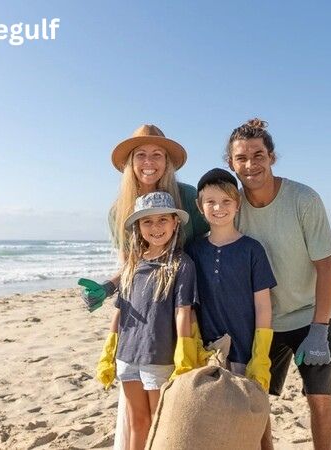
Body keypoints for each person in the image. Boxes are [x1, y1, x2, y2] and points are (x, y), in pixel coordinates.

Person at [226, 118, 331, 450]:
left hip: (313, 312)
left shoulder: (303, 199)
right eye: (241, 158)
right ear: (231, 163)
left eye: (258, 155)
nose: (250, 165)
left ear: (272, 157)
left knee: (318, 397)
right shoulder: (233, 207)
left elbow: (327, 268)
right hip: (265, 318)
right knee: (256, 397)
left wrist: (320, 328)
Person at [95, 191, 198, 450]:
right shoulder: (133, 263)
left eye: (163, 219)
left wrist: (183, 354)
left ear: (175, 223)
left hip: (158, 356)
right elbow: (121, 310)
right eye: (147, 222)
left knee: (158, 421)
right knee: (136, 421)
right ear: (138, 228)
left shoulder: (181, 264)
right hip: (126, 355)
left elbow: (182, 311)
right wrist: (109, 349)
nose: (156, 227)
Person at [79, 124, 208, 311]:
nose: (149, 162)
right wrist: (107, 287)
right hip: (150, 301)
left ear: (166, 161)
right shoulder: (118, 211)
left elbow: (212, 243)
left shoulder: (187, 196)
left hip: (190, 296)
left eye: (157, 154)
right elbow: (131, 265)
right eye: (140, 155)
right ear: (130, 162)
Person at [186, 168, 276, 389]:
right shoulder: (193, 250)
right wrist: (193, 347)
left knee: (252, 418)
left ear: (238, 204)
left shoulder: (252, 249)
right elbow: (189, 306)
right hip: (207, 355)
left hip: (245, 354)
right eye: (211, 202)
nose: (219, 208)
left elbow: (263, 305)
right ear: (200, 206)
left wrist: (260, 355)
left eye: (227, 200)